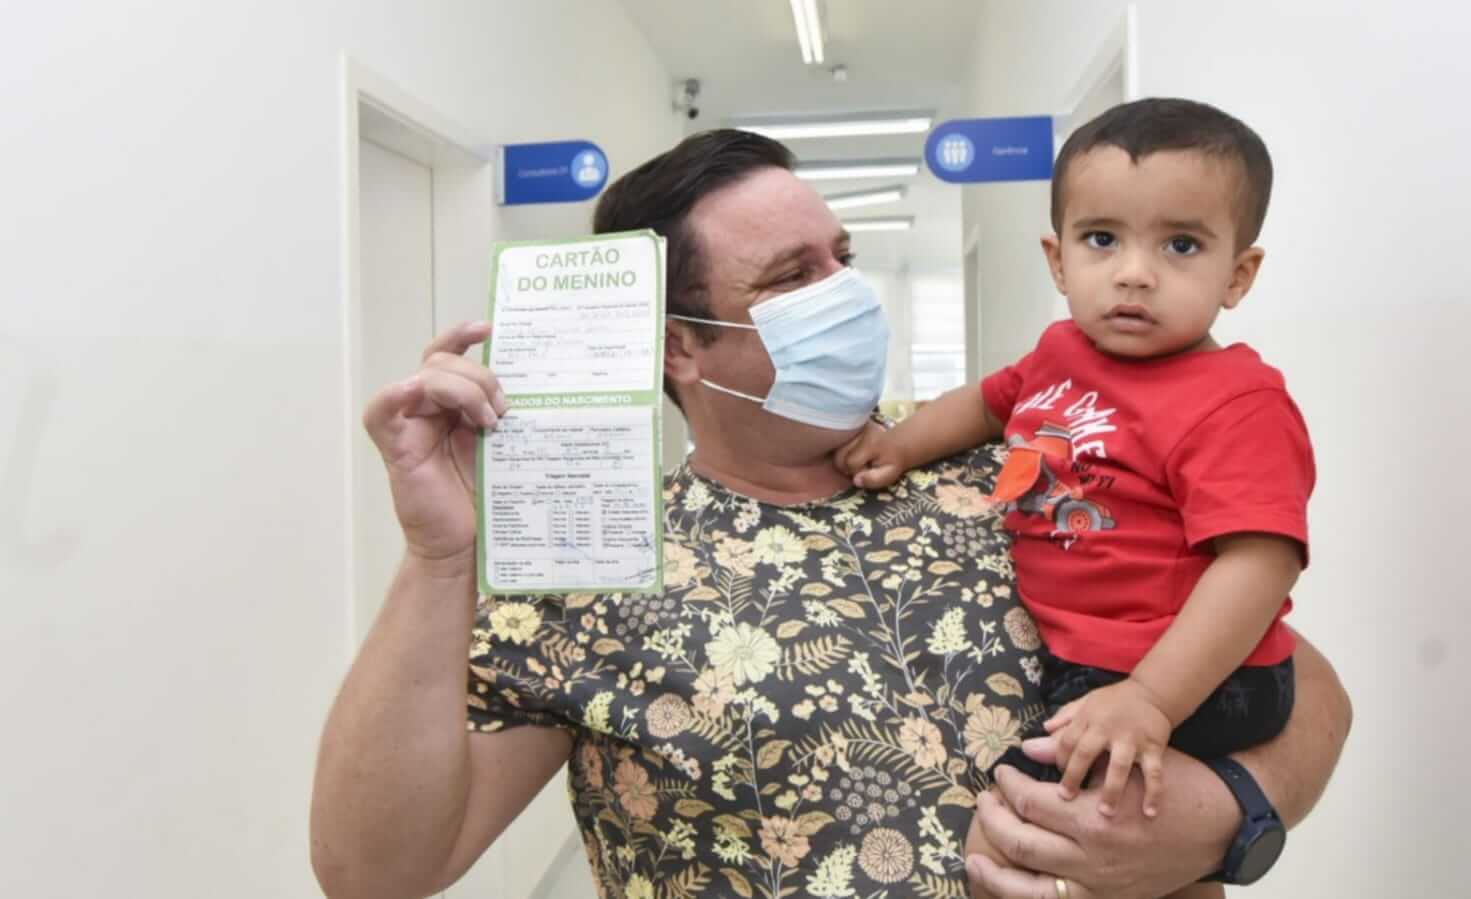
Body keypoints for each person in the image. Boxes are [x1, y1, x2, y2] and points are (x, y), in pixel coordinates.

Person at [309, 128, 1352, 899]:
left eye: (842, 255)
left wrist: (1226, 818)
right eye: (792, 276)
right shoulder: (597, 559)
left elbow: (1303, 684)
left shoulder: (1021, 458)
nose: (847, 292)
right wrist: (436, 557)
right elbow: (377, 870)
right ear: (678, 344)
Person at [837, 99, 1315, 898]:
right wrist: (901, 442)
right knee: (1120, 854)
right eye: (1103, 239)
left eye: (1182, 244)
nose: (1134, 271)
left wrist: (1152, 699)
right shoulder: (1060, 353)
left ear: (1238, 274)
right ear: (1059, 262)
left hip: (1189, 679)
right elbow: (990, 403)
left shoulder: (1236, 399)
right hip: (1093, 667)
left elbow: (1260, 563)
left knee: (1045, 837)